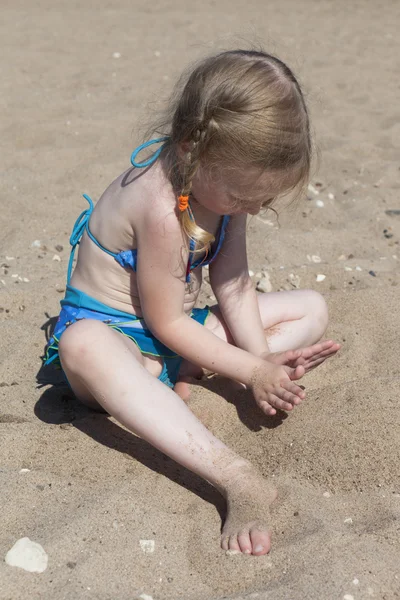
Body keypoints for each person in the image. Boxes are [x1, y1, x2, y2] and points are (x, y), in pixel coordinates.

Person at [44, 49, 340, 556]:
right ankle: (236, 476)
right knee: (82, 344)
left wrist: (261, 358)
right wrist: (249, 371)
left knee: (311, 308)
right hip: (122, 341)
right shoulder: (159, 205)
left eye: (260, 201)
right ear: (191, 151)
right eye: (244, 198)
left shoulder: (221, 183)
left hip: (175, 335)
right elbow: (164, 318)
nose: (250, 208)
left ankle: (185, 377)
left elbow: (235, 283)